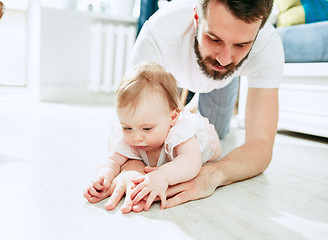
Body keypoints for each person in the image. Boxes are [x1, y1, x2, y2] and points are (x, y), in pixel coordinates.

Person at [85, 0, 284, 213]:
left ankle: (190, 114)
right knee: (153, 123)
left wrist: (211, 175)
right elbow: (132, 118)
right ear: (197, 19)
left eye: (241, 45)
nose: (225, 58)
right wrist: (132, 167)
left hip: (223, 80)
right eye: (214, 38)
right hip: (169, 73)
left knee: (217, 130)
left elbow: (261, 146)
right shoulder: (158, 33)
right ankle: (184, 111)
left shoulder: (267, 45)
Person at [84, 62, 221, 211]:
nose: (136, 137)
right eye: (127, 127)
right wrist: (104, 175)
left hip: (209, 142)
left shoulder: (180, 131)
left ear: (172, 118)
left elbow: (191, 162)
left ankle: (192, 108)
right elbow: (112, 159)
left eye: (147, 128)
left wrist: (163, 176)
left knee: (212, 150)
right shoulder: (133, 130)